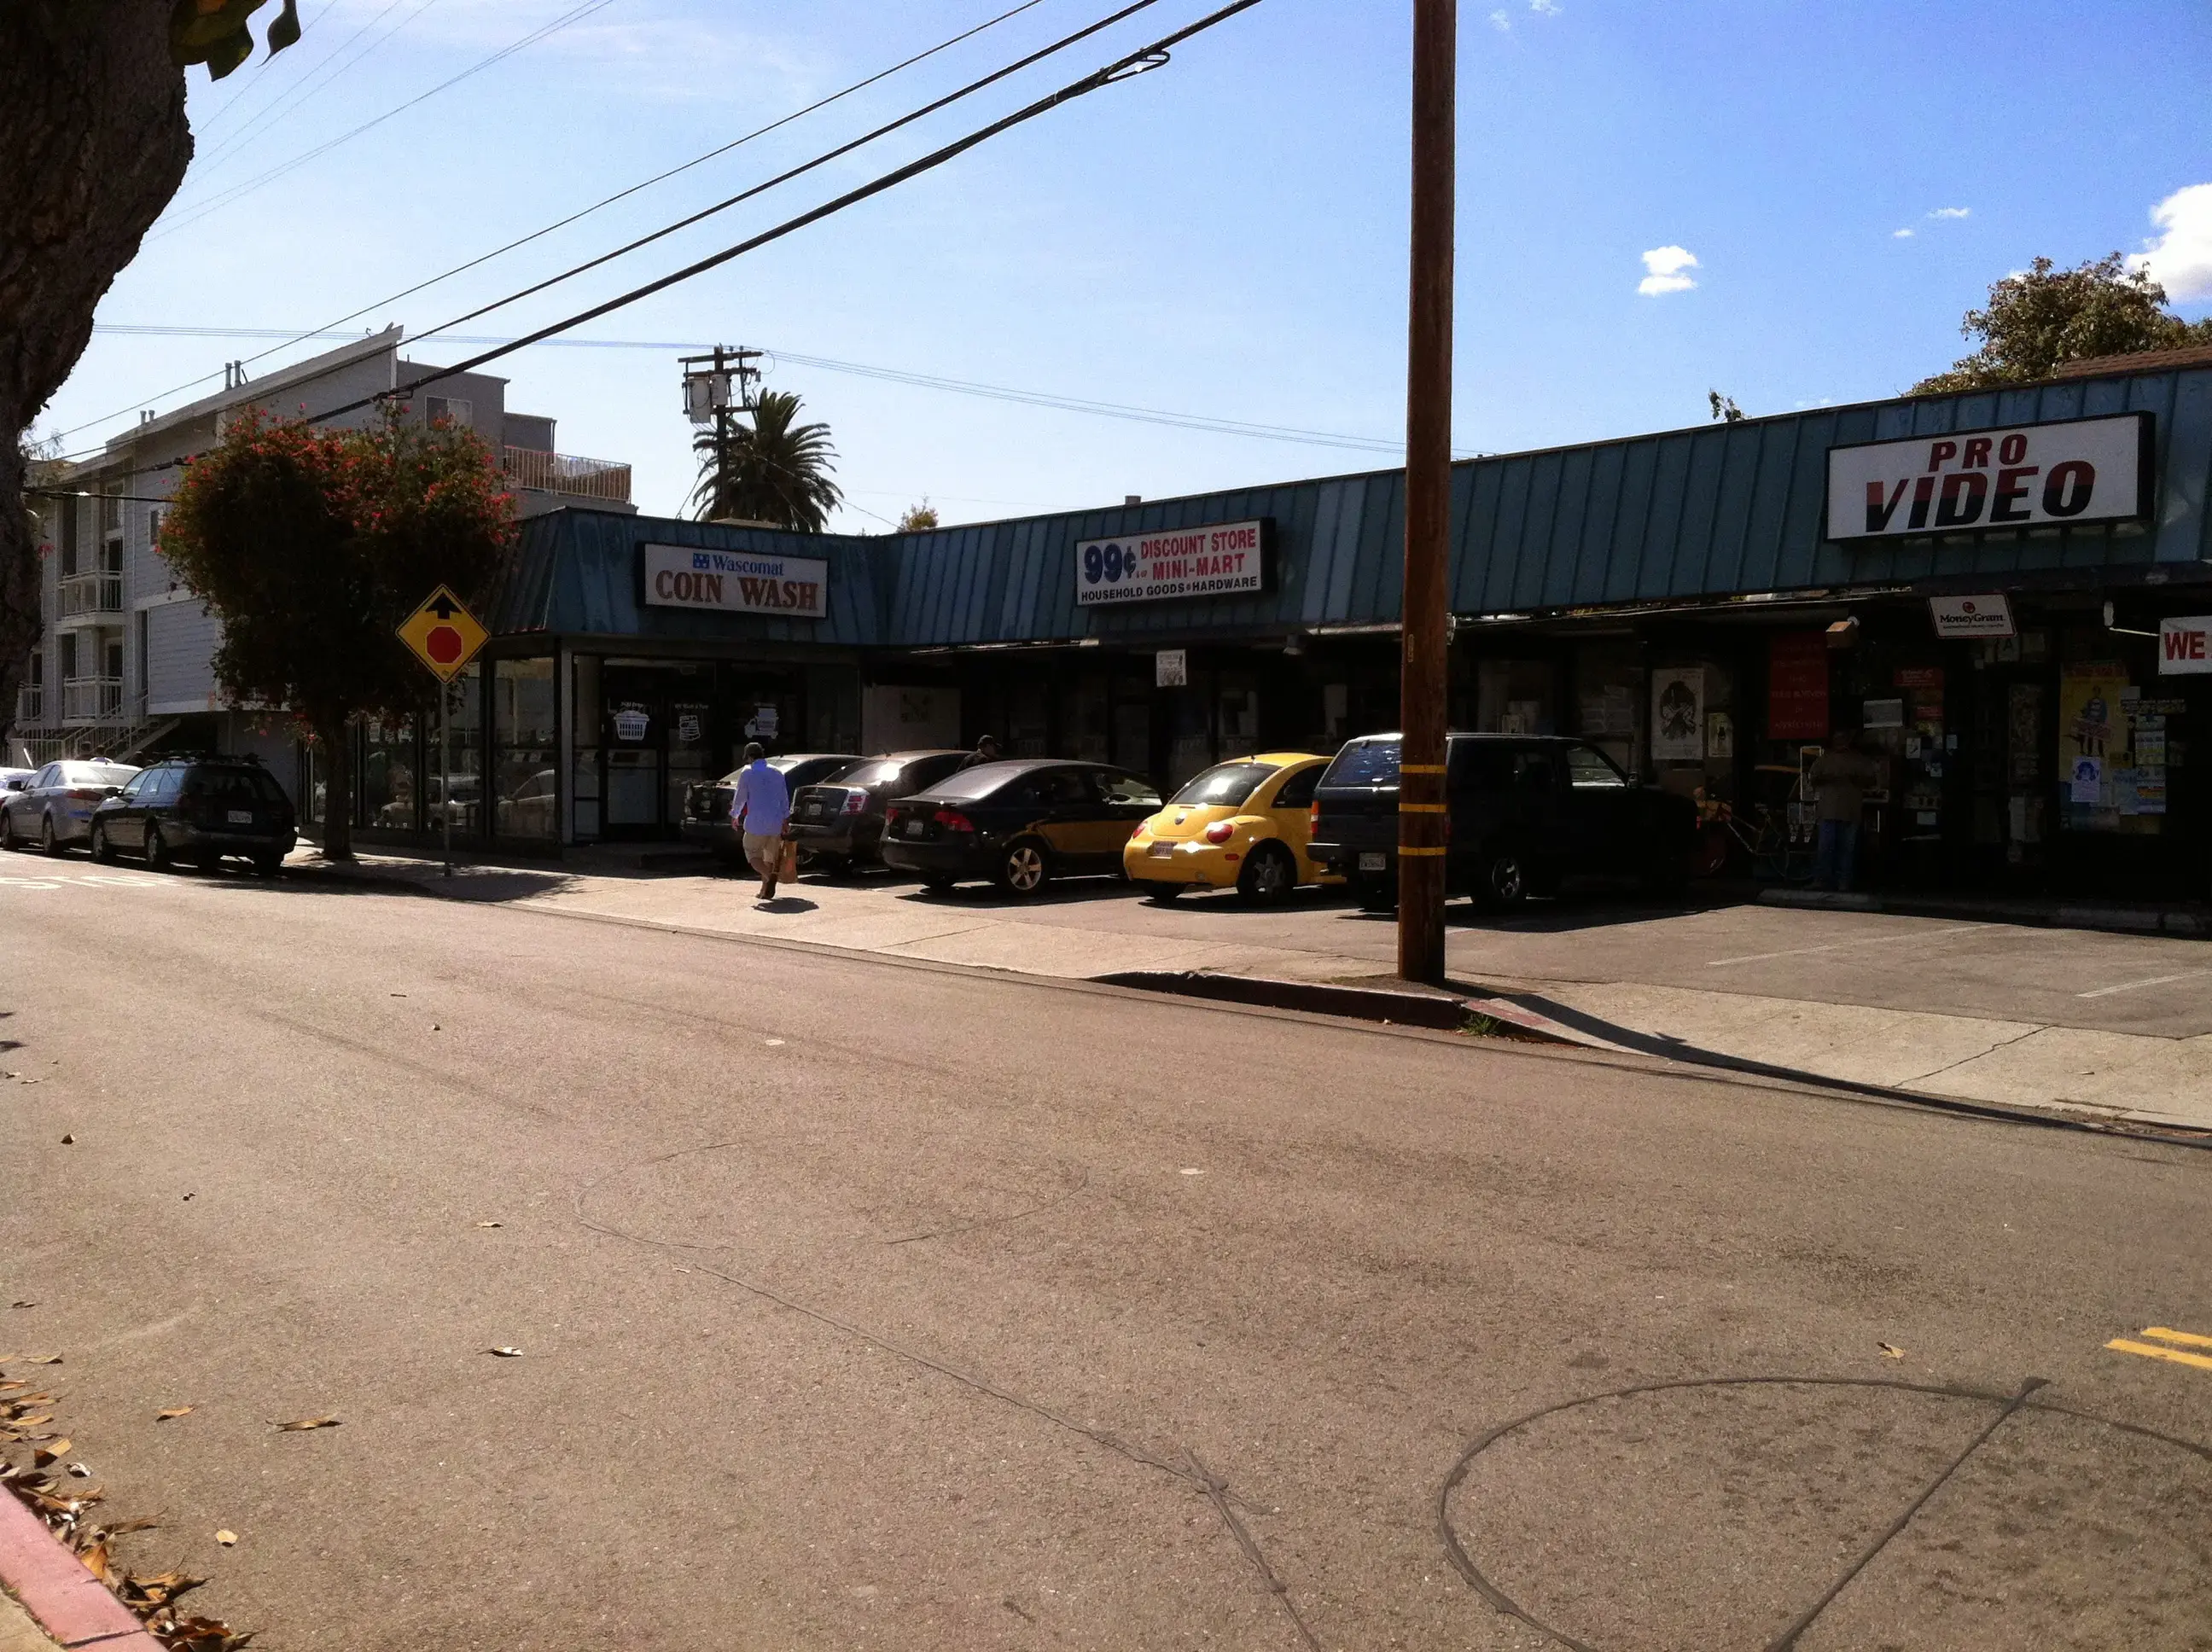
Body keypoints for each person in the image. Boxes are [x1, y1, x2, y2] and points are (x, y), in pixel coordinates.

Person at [1808, 730, 1880, 893]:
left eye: (1843, 739)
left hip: (1850, 811)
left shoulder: (1858, 760)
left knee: (1847, 850)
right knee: (1826, 848)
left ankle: (1844, 882)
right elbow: (1813, 778)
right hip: (1828, 811)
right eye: (1837, 739)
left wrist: (1852, 779)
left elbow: (1871, 780)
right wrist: (1832, 778)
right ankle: (1822, 880)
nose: (1840, 742)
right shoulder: (1824, 759)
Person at [727, 742, 791, 901]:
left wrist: (735, 815)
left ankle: (770, 878)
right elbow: (784, 798)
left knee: (752, 853)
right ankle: (764, 891)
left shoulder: (747, 772)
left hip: (756, 822)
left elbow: (740, 797)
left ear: (749, 757)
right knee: (769, 858)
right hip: (775, 822)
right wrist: (785, 819)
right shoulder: (777, 772)